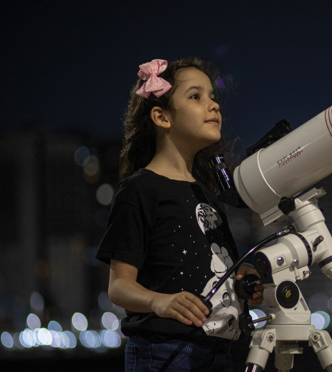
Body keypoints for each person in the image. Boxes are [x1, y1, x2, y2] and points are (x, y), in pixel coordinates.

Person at [96, 57, 262, 372]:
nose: (214, 106)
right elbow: (119, 287)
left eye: (213, 97)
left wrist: (243, 278)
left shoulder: (208, 193)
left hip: (221, 350)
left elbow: (214, 267)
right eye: (196, 96)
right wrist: (161, 301)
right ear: (161, 117)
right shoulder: (139, 190)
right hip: (165, 351)